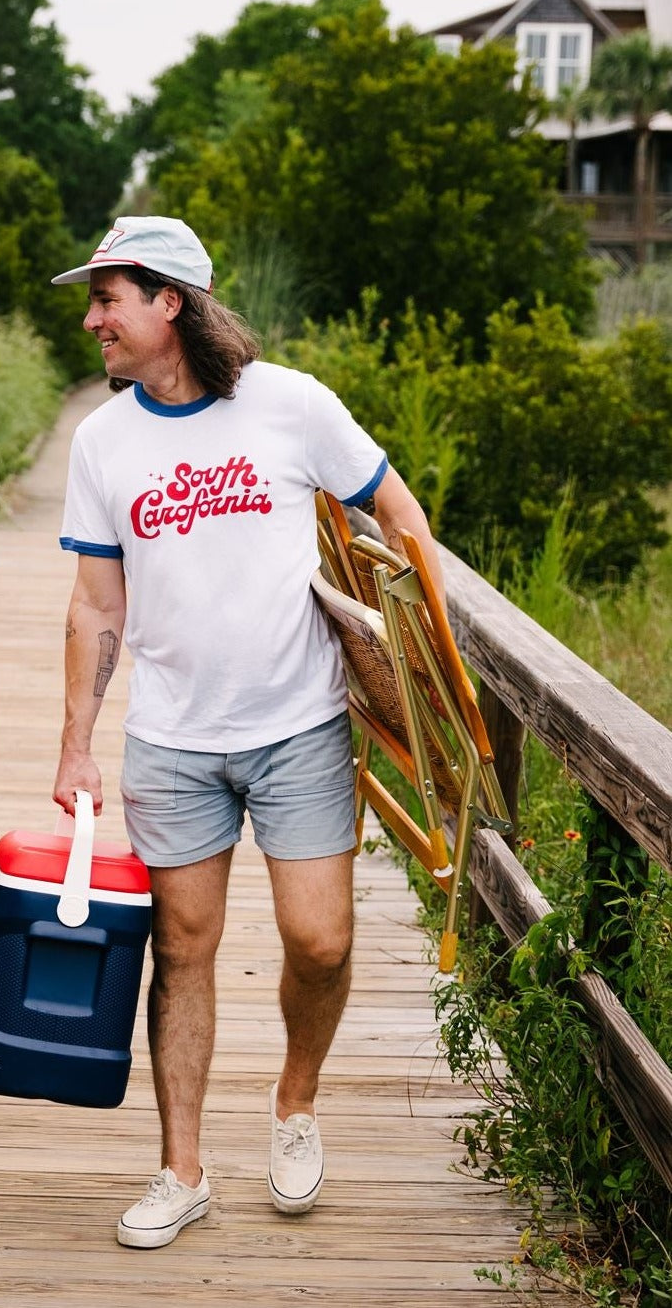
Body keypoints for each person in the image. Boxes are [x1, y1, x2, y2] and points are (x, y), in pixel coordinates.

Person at [49, 217, 444, 1249]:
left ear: (167, 303)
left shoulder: (288, 403)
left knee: (322, 939)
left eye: (107, 299)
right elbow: (95, 604)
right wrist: (75, 739)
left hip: (300, 722)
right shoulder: (103, 441)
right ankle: (180, 1168)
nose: (92, 319)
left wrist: (422, 665)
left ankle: (294, 1100)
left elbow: (398, 517)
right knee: (181, 951)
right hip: (172, 737)